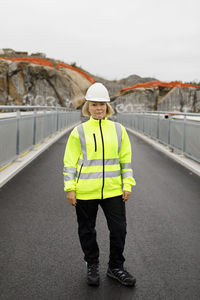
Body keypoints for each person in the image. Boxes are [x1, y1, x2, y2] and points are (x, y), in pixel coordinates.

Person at [63, 83, 136, 287]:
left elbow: (126, 161)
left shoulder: (119, 130)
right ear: (88, 106)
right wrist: (70, 188)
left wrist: (127, 185)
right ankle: (92, 263)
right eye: (94, 104)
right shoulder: (79, 132)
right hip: (85, 191)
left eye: (102, 104)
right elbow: (69, 162)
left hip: (113, 190)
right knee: (87, 230)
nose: (99, 108)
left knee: (119, 229)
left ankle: (115, 267)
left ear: (107, 106)